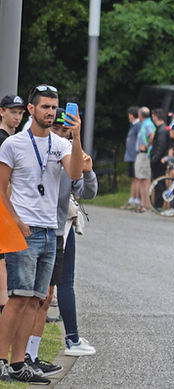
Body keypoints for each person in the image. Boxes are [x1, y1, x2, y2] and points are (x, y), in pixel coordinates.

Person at [0, 84, 83, 384]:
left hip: (51, 230)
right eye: (45, 107)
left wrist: (77, 136)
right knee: (17, 298)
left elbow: (75, 174)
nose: (50, 112)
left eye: (54, 107)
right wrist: (17, 222)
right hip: (26, 230)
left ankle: (19, 363)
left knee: (36, 301)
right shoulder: (13, 145)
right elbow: (1, 187)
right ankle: (0, 360)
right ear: (31, 110)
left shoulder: (60, 144)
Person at [28, 108, 98, 378]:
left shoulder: (70, 152)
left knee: (48, 296)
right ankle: (24, 356)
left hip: (61, 230)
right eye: (57, 130)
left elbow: (87, 191)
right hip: (35, 229)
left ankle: (40, 351)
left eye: (66, 132)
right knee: (31, 297)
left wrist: (88, 171)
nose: (61, 136)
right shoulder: (33, 148)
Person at [0, 95, 25, 314]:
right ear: (2, 112)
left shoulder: (14, 140)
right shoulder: (3, 141)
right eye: (12, 112)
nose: (16, 117)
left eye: (20, 113)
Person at [134, 107, 155, 213]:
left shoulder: (147, 124)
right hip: (142, 154)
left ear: (140, 115)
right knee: (141, 179)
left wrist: (147, 146)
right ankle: (143, 203)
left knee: (145, 180)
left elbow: (152, 135)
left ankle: (146, 204)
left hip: (145, 155)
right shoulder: (145, 123)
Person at [122, 106, 141, 209]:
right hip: (131, 155)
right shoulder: (133, 125)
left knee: (136, 178)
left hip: (135, 155)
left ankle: (136, 199)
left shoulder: (138, 126)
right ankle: (132, 198)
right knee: (133, 178)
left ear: (132, 115)